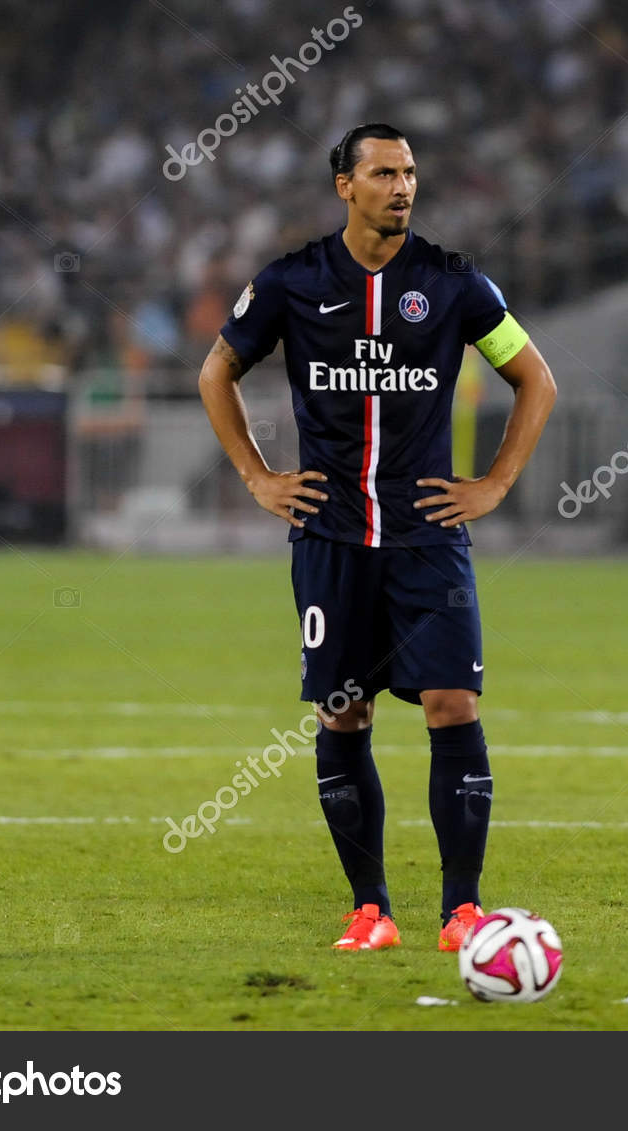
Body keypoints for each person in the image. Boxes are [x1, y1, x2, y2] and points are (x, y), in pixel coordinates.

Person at [197, 124, 558, 951]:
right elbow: (216, 370)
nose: (403, 187)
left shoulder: (455, 283)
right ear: (344, 186)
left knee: (451, 703)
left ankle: (462, 910)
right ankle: (371, 909)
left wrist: (496, 482)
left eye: (410, 174)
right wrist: (257, 476)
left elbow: (534, 376)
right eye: (385, 173)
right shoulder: (291, 283)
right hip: (328, 537)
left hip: (427, 536)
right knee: (343, 714)